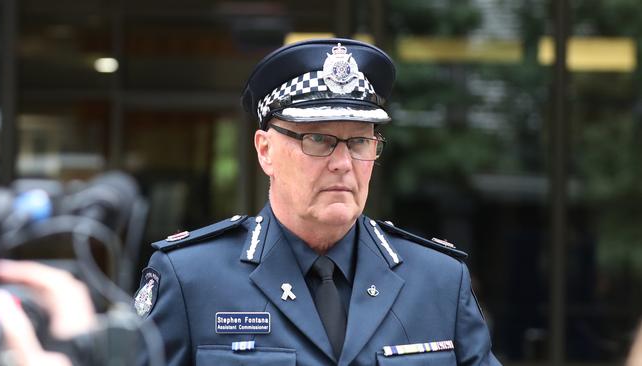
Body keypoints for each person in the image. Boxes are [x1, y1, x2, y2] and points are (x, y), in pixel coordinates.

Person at [135, 38, 501, 365]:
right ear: (266, 151)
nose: (342, 163)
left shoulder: (438, 281)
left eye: (359, 142)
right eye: (318, 140)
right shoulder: (192, 279)